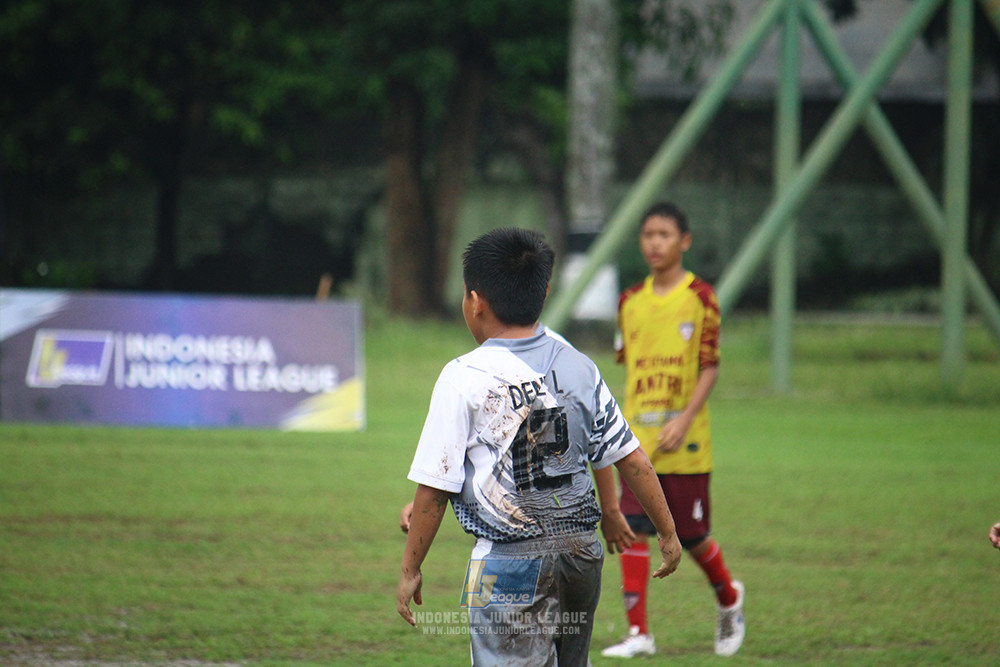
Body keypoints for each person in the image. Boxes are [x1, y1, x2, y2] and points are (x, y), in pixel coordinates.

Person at [396, 227, 683, 666]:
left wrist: (410, 569)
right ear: (545, 292)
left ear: (475, 302)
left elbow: (435, 490)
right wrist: (666, 531)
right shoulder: (579, 366)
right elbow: (632, 459)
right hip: (581, 554)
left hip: (505, 563)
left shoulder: (463, 375)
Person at [599, 202, 745, 658]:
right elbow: (631, 369)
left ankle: (728, 597)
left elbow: (710, 367)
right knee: (633, 530)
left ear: (684, 241)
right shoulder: (629, 302)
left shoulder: (700, 297)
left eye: (664, 234)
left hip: (686, 444)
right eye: (647, 235)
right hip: (636, 444)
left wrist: (683, 419)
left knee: (693, 536)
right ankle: (638, 632)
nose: (655, 243)